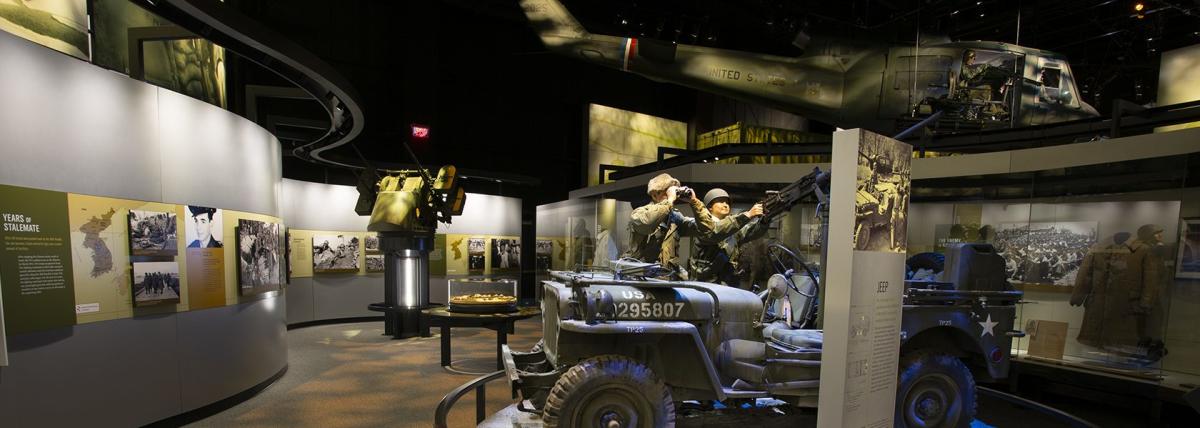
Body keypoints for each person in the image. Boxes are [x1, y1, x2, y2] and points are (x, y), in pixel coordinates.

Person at [623, 173, 714, 277]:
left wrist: (694, 202)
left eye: (674, 191)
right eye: (666, 191)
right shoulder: (640, 213)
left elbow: (707, 228)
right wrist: (669, 200)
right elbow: (648, 222)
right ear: (654, 194)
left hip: (666, 277)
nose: (672, 194)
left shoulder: (675, 217)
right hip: (641, 276)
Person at [688, 188, 766, 287]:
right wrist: (748, 215)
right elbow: (716, 231)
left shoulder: (732, 228)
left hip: (728, 284)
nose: (725, 205)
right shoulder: (703, 227)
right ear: (710, 207)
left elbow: (751, 231)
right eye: (720, 201)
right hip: (706, 286)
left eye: (727, 203)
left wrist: (765, 220)